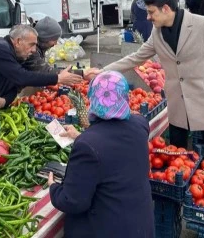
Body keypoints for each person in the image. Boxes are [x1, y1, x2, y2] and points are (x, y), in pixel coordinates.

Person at [89, 0, 204, 171]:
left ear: (165, 8)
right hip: (177, 105)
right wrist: (102, 71)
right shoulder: (157, 34)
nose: (148, 17)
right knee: (177, 156)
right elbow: (135, 57)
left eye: (151, 12)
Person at [48, 71, 154, 238]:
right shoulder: (140, 125)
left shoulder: (88, 146)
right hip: (140, 226)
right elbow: (113, 146)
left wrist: (53, 188)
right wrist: (81, 136)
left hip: (107, 229)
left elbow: (73, 202)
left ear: (93, 99)